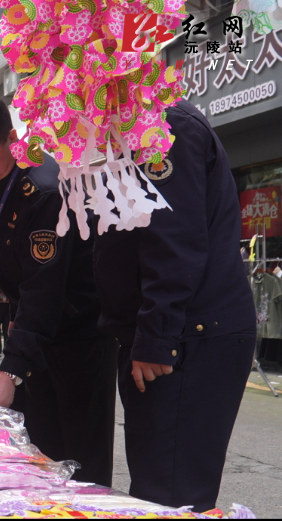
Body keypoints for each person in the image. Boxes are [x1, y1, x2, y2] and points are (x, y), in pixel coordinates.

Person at [0, 92, 118, 487]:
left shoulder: (41, 189)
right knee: (41, 455)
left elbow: (44, 288)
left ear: (9, 137)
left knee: (79, 460)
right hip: (42, 337)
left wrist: (11, 368)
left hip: (78, 338)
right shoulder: (0, 180)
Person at [92, 101, 256, 511]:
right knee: (158, 485)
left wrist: (156, 336)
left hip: (186, 335)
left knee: (170, 495)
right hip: (165, 333)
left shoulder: (162, 123)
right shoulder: (129, 123)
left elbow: (174, 238)